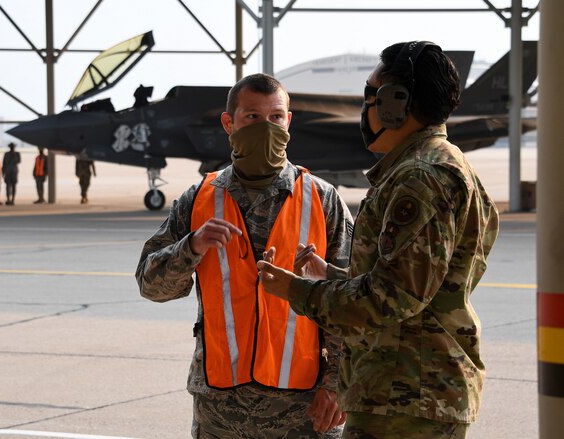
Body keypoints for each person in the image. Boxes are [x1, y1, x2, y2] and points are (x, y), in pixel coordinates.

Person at [256, 42, 499, 439]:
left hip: (406, 396)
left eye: (371, 95)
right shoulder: (440, 164)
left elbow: (393, 298)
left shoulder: (419, 179)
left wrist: (297, 291)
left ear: (394, 104)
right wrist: (330, 275)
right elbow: (424, 284)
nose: (365, 110)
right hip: (408, 389)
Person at [136, 73, 354, 438]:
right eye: (252, 117)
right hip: (221, 411)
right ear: (229, 123)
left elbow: (353, 302)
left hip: (303, 410)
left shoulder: (322, 199)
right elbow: (152, 286)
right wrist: (190, 247)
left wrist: (338, 384)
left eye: (276, 117)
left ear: (289, 121)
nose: (266, 127)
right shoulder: (198, 199)